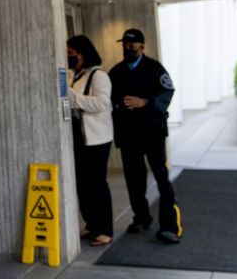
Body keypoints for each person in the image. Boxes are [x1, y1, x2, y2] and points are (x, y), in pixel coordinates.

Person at [108, 28, 182, 244]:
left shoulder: (155, 68)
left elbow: (167, 92)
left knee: (161, 177)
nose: (127, 48)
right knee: (134, 179)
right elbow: (110, 100)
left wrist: (146, 102)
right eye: (124, 45)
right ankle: (141, 218)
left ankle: (169, 226)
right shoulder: (116, 72)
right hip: (128, 134)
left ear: (141, 46)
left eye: (131, 45)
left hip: (152, 132)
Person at [66, 35, 114, 246]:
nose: (68, 57)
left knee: (97, 184)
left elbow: (101, 103)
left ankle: (105, 229)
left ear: (82, 53)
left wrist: (73, 98)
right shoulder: (76, 75)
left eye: (71, 53)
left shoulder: (99, 75)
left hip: (97, 138)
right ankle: (92, 224)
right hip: (79, 137)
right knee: (83, 184)